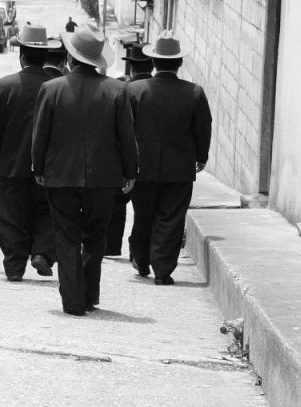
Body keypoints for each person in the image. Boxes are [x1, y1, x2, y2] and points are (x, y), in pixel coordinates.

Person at [31, 23, 138, 316]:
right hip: (103, 178)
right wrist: (130, 172)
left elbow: (40, 135)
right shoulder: (117, 90)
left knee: (65, 237)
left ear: (70, 58)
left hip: (60, 175)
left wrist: (38, 167)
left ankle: (72, 300)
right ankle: (89, 295)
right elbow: (126, 137)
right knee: (95, 237)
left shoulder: (51, 89)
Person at [128, 32, 212, 284]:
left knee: (143, 214)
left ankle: (141, 259)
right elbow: (203, 127)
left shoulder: (134, 91)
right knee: (171, 218)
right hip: (179, 168)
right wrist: (201, 157)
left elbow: (125, 128)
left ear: (153, 63)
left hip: (142, 166)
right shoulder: (194, 92)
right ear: (179, 63)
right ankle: (163, 269)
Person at [0, 24, 60, 282]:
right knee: (46, 212)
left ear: (21, 55)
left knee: (10, 216)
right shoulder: (58, 85)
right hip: (49, 167)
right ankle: (42, 252)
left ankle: (15, 264)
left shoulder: (7, 85)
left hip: (13, 163)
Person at [105, 44, 154, 257]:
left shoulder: (120, 88)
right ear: (152, 66)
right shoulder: (153, 88)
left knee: (117, 203)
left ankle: (111, 245)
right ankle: (140, 252)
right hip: (150, 160)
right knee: (146, 211)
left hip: (120, 156)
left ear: (131, 68)